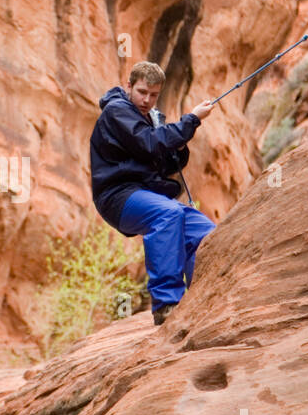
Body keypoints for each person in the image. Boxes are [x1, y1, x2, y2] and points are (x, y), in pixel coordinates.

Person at [89, 61, 217, 325]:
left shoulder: (149, 119)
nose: (147, 100)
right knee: (169, 214)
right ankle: (166, 305)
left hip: (146, 195)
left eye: (153, 94)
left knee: (205, 232)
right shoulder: (117, 112)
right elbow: (149, 143)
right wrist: (191, 121)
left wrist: (179, 144)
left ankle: (203, 301)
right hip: (118, 196)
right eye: (142, 92)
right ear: (129, 87)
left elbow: (169, 163)